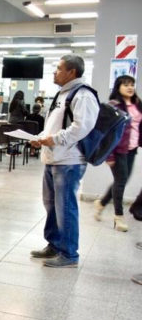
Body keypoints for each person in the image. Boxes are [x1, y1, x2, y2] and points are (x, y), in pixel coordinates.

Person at [29, 55, 99, 268]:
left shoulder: (83, 94)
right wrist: (41, 137)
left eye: (58, 68)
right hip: (53, 158)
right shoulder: (62, 93)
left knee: (65, 206)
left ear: (72, 72)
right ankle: (54, 244)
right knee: (51, 204)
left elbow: (82, 126)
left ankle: (69, 254)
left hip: (69, 160)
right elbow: (55, 124)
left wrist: (55, 139)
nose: (54, 72)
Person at [93, 75, 142, 231]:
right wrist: (109, 155)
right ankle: (118, 217)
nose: (130, 87)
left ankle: (101, 203)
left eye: (132, 84)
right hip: (118, 150)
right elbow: (105, 132)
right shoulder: (113, 106)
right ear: (118, 87)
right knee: (120, 181)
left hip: (132, 149)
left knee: (122, 180)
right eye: (126, 84)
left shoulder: (137, 104)